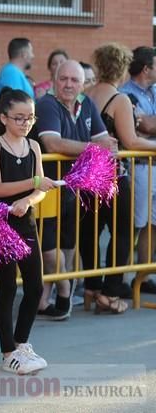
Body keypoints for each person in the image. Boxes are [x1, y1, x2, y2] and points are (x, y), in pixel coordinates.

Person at [34, 59, 116, 320]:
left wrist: (98, 146)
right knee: (47, 246)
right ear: (54, 80)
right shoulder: (47, 104)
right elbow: (52, 144)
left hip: (73, 188)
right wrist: (93, 149)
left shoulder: (87, 103)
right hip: (45, 187)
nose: (69, 85)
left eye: (75, 80)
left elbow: (105, 139)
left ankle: (45, 300)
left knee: (68, 244)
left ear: (83, 84)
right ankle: (65, 289)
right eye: (64, 79)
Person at [0, 89, 53, 375]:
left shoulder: (34, 146)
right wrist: (34, 182)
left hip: (26, 220)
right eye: (19, 118)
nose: (25, 123)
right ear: (3, 117)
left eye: (30, 118)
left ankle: (22, 342)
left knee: (35, 285)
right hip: (0, 221)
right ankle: (7, 350)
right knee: (7, 287)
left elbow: (40, 190)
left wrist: (28, 199)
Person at [83, 43, 146, 311]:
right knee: (121, 234)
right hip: (112, 177)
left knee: (89, 234)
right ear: (122, 68)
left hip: (86, 177)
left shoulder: (86, 95)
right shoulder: (119, 99)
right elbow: (131, 141)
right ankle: (110, 293)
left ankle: (91, 288)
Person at [120, 46, 156, 294]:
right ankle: (120, 277)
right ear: (146, 68)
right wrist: (147, 125)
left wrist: (149, 124)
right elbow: (141, 126)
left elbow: (149, 125)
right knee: (134, 222)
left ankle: (143, 277)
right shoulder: (125, 95)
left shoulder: (154, 91)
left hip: (154, 166)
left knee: (152, 223)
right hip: (140, 166)